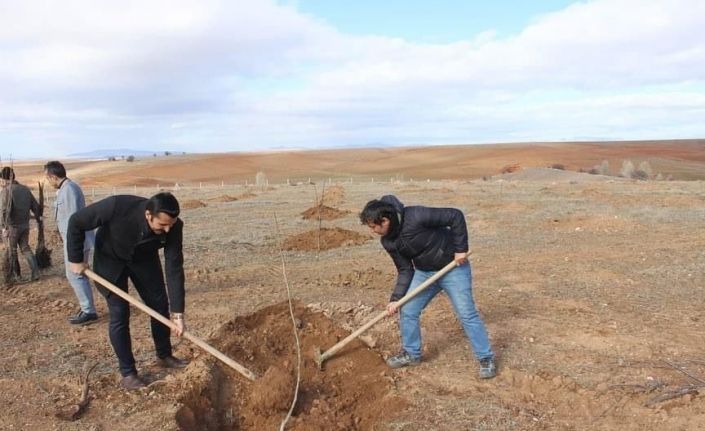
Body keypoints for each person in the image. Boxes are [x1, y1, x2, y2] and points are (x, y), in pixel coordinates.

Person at [360, 195, 496, 379]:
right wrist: (396, 299)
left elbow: (455, 216)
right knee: (407, 310)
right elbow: (405, 269)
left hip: (453, 267)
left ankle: (486, 358)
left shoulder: (416, 215)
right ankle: (411, 353)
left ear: (385, 220)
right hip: (424, 274)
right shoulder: (388, 241)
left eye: (374, 226)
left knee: (466, 313)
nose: (372, 230)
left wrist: (460, 249)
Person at [66, 192, 189, 390]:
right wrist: (75, 258)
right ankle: (128, 373)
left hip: (144, 261)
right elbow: (76, 221)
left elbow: (174, 267)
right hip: (110, 261)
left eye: (171, 224)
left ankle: (164, 355)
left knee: (159, 305)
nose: (167, 229)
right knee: (119, 312)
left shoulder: (174, 227)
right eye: (162, 225)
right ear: (149, 215)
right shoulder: (117, 206)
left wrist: (178, 314)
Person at [44, 161, 98, 325]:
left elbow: (76, 220)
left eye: (48, 178)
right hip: (73, 240)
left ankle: (89, 311)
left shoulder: (69, 190)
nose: (48, 182)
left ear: (53, 176)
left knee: (74, 275)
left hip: (76, 241)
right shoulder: (65, 189)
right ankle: (87, 308)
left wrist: (75, 243)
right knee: (77, 275)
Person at [1, 167, 41, 285]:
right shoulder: (25, 189)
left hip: (12, 227)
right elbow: (35, 206)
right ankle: (35, 272)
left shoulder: (6, 191)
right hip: (25, 225)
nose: (1, 182)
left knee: (12, 251)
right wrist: (39, 218)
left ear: (5, 179)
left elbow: (3, 211)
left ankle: (16, 276)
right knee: (25, 248)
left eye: (1, 179)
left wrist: (3, 227)